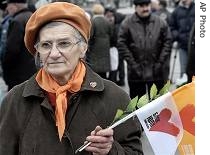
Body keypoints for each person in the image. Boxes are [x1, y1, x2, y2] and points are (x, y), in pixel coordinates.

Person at [0, 2, 144, 155]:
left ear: (83, 48)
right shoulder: (15, 101)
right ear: (38, 52)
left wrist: (110, 150)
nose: (54, 53)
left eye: (64, 43)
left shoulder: (115, 99)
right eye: (46, 45)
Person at [118, 0, 172, 99]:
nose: (145, 8)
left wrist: (160, 63)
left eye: (147, 5)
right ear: (135, 7)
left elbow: (167, 42)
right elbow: (122, 44)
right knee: (138, 108)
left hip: (157, 73)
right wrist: (133, 65)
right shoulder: (127, 23)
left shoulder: (160, 22)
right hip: (136, 74)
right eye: (141, 6)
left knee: (158, 106)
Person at [1, 0, 36, 90]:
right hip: (33, 69)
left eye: (8, 5)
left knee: (16, 101)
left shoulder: (17, 21)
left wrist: (5, 67)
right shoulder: (33, 17)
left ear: (14, 5)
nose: (7, 9)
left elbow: (12, 49)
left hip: (18, 73)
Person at [169, 0, 195, 80]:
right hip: (183, 46)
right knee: (184, 72)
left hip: (196, 46)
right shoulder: (176, 11)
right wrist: (178, 36)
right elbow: (171, 27)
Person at [86, 4, 113, 80]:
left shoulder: (92, 21)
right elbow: (112, 34)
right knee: (104, 70)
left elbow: (90, 36)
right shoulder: (107, 21)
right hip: (105, 47)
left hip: (95, 48)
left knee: (96, 69)